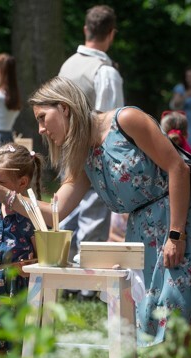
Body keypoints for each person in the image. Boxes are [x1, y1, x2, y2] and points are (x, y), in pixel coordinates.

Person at [0, 76, 191, 356]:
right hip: (140, 239)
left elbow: (177, 169)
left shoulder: (126, 120)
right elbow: (55, 212)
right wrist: (4, 194)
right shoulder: (83, 156)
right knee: (154, 341)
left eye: (42, 117)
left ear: (64, 108)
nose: (40, 129)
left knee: (177, 339)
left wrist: (176, 233)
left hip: (176, 223)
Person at [58, 5, 124, 275]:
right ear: (112, 34)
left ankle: (62, 267)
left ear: (86, 29)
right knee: (94, 213)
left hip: (67, 145)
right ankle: (86, 280)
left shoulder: (67, 65)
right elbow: (110, 121)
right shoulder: (105, 71)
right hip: (96, 150)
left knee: (67, 208)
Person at [0, 143, 44, 297]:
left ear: (22, 182)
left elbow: (44, 261)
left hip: (17, 296)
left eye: (1, 183)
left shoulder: (32, 218)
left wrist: (31, 267)